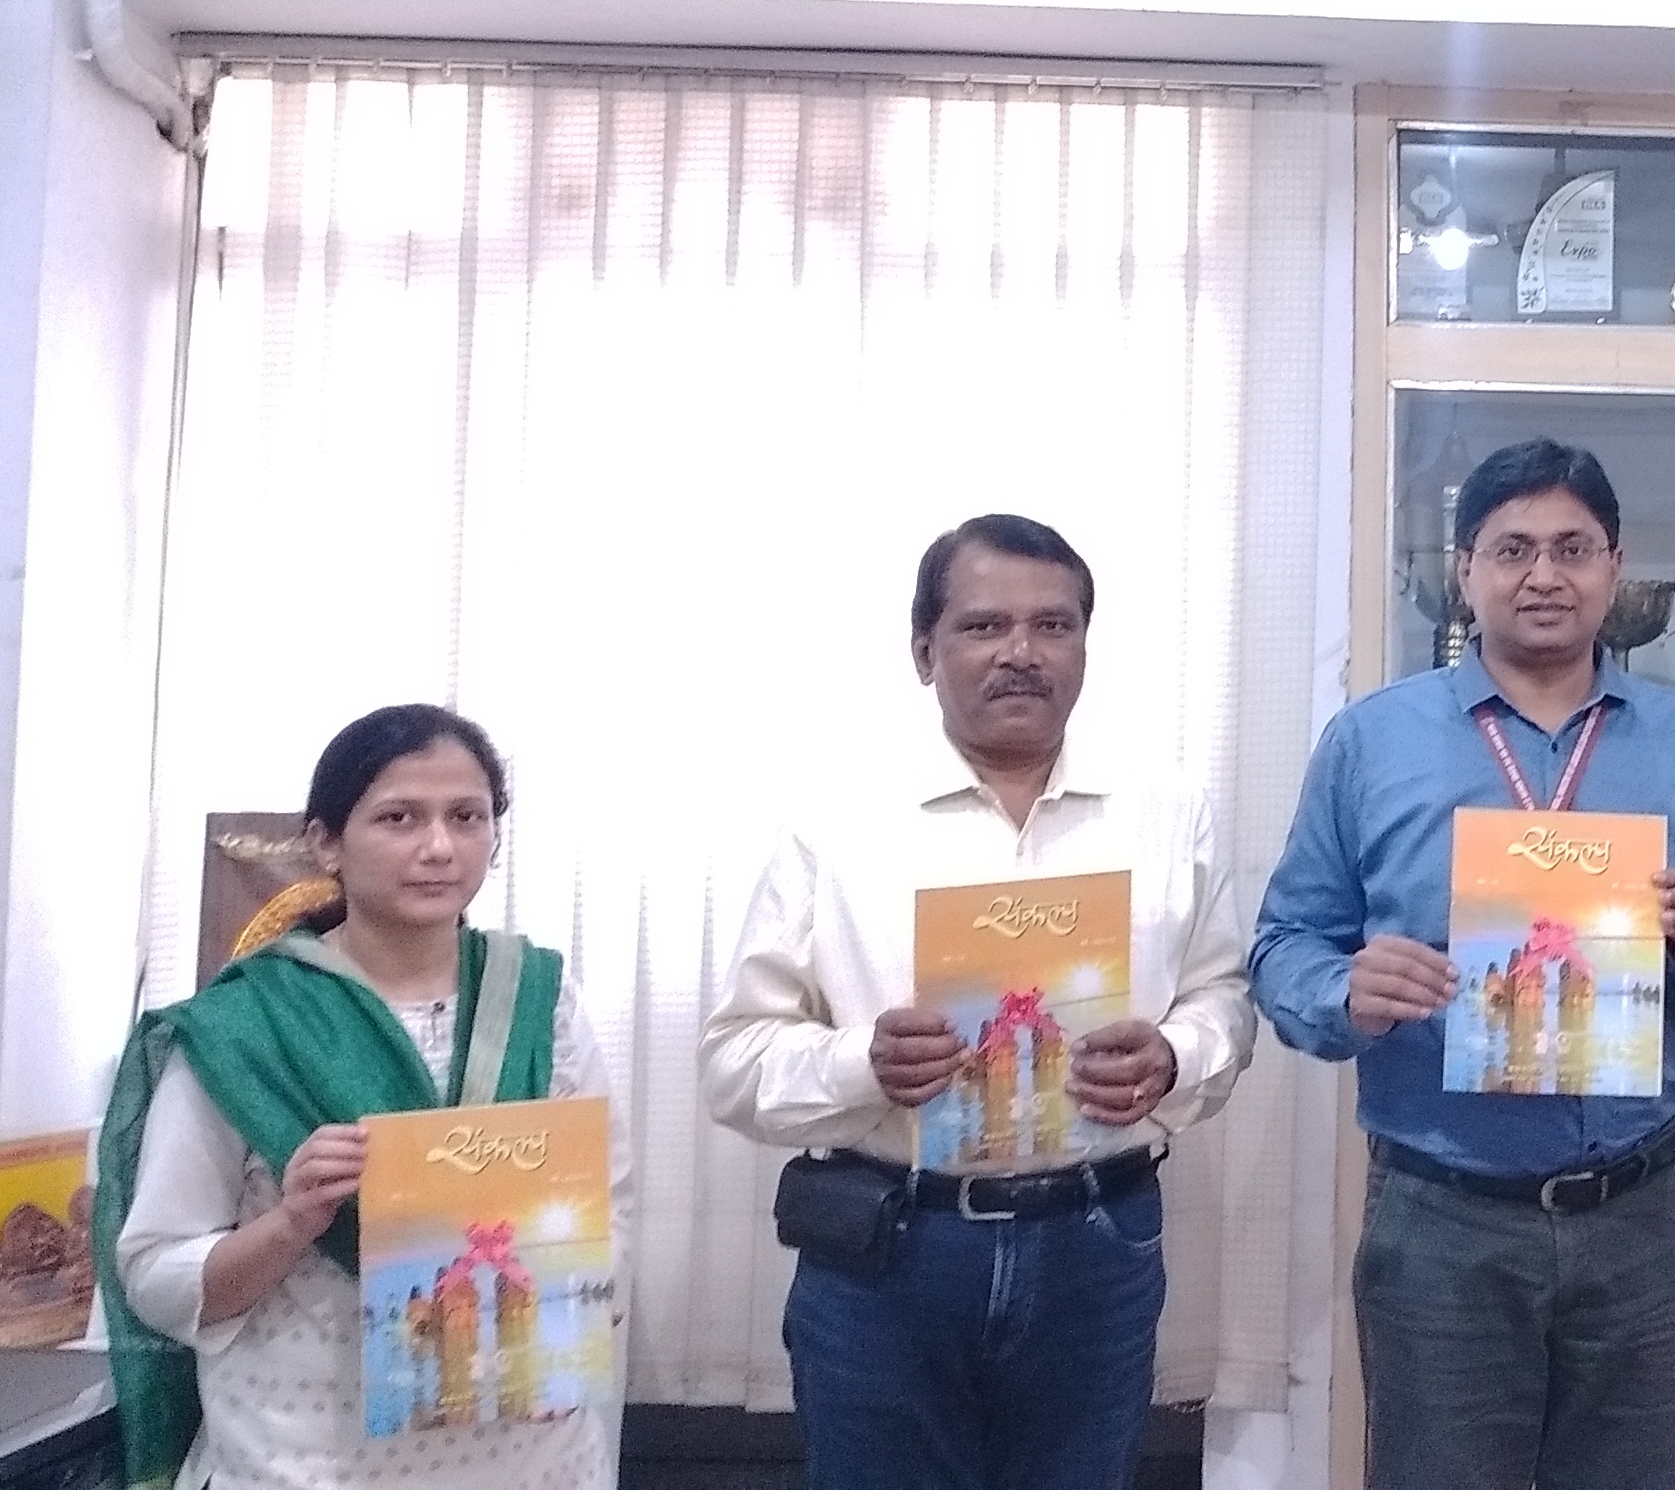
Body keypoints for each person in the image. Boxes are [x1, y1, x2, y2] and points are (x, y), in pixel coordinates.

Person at [1251, 438, 1675, 1490]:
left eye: (1572, 548)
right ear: (1465, 571)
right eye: (1512, 550)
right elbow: (1285, 948)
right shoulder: (1370, 743)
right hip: (1443, 1219)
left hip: (1641, 1214)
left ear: (1614, 567)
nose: (1544, 575)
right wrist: (1342, 990)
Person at [702, 514, 1255, 1490]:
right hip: (892, 1247)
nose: (1021, 652)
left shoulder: (1167, 812)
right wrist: (861, 1063)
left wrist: (1176, 1056)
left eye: (1053, 626)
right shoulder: (836, 823)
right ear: (925, 651)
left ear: (1085, 645)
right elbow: (734, 1062)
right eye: (984, 626)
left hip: (1098, 1239)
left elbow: (1224, 999)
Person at [96, 703, 630, 1490]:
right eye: (399, 818)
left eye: (467, 817)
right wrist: (289, 1223)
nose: (439, 847)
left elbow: (607, 1213)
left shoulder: (541, 1005)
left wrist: (569, 1307)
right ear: (326, 843)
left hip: (536, 1463)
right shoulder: (247, 1027)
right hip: (306, 1461)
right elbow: (154, 1274)